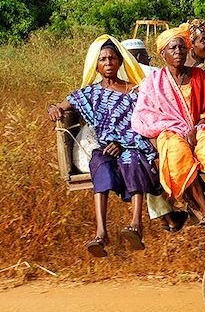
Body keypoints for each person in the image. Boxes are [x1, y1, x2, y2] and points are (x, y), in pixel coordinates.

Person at [47, 35, 162, 257]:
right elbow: (63, 104)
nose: (108, 63)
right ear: (97, 66)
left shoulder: (134, 91)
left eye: (112, 58)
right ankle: (101, 232)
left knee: (132, 160)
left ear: (120, 62)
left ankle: (136, 224)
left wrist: (123, 143)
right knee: (98, 163)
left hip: (133, 145)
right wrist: (53, 108)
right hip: (106, 147)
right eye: (103, 60)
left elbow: (144, 122)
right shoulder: (91, 93)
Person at [131, 26, 205, 226]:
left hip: (201, 128)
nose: (178, 51)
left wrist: (197, 128)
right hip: (170, 133)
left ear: (187, 50)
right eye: (173, 48)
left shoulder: (199, 76)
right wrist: (166, 139)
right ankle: (204, 207)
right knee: (176, 151)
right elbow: (145, 117)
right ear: (163, 54)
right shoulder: (153, 82)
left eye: (181, 47)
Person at [121, 38, 188, 232]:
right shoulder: (153, 74)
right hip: (156, 132)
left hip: (149, 133)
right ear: (143, 56)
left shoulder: (120, 78)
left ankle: (167, 216)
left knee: (148, 160)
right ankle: (171, 215)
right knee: (149, 160)